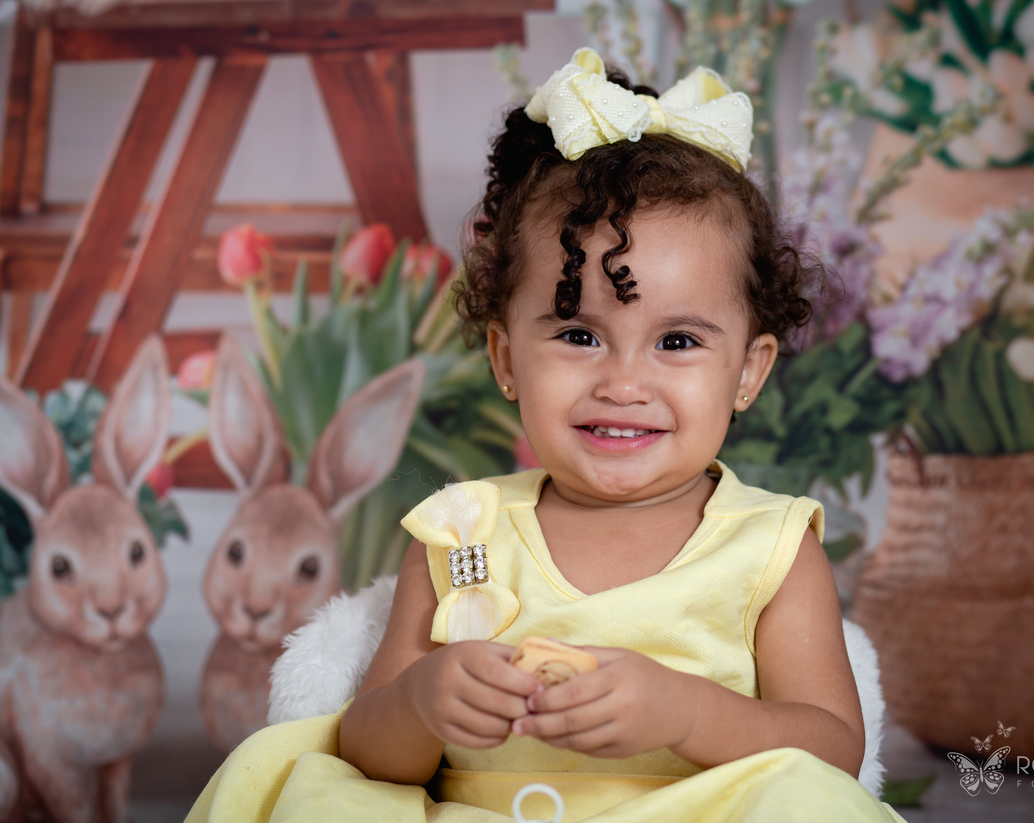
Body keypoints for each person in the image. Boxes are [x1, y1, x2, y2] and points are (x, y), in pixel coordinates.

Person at [185, 48, 905, 823]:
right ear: (506, 359)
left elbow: (832, 752)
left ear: (748, 372)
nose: (623, 383)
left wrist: (688, 712)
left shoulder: (772, 549)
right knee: (313, 786)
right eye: (579, 335)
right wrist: (420, 704)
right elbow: (369, 755)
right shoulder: (463, 533)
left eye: (677, 341)